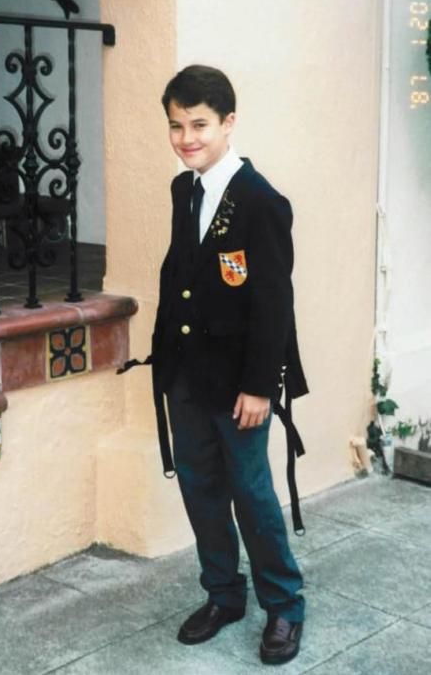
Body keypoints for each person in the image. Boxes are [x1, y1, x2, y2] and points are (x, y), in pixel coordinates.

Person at [152, 64, 308, 666]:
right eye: (176, 125)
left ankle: (285, 605)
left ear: (228, 123)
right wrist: (166, 364)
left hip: (239, 385)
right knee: (201, 488)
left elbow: (274, 303)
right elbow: (182, 279)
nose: (187, 137)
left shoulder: (261, 201)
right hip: (186, 376)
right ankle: (224, 594)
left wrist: (260, 386)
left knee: (251, 492)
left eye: (199, 124)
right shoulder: (183, 189)